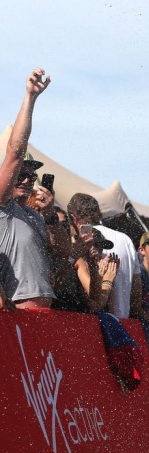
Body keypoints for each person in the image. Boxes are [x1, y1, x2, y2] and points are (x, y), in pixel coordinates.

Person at [0, 69, 54, 308]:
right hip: (19, 311)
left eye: (32, 175)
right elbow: (15, 152)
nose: (27, 179)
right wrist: (30, 98)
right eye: (21, 173)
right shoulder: (3, 205)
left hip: (44, 312)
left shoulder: (34, 215)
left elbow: (61, 255)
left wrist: (51, 215)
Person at [66, 192, 140, 319]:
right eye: (94, 245)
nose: (100, 253)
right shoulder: (124, 239)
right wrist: (107, 279)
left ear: (73, 217)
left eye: (101, 247)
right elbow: (96, 304)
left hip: (109, 325)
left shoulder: (86, 253)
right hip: (92, 323)